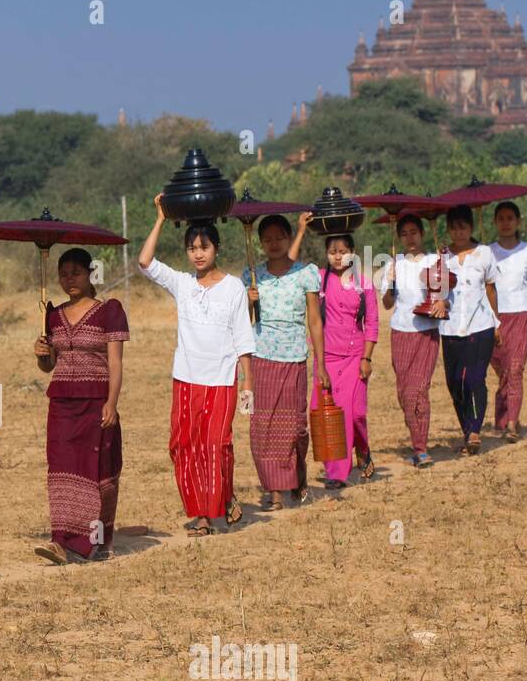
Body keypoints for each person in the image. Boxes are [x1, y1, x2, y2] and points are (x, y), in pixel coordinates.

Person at [139, 196, 254, 537]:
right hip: (186, 378)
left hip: (222, 379)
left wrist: (248, 384)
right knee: (182, 446)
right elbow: (145, 262)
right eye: (192, 248)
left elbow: (243, 338)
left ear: (216, 248)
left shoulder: (234, 288)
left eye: (204, 246)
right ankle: (201, 515)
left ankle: (224, 497)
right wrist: (160, 218)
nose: (198, 253)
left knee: (217, 445)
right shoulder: (182, 284)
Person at [33, 248, 129, 564]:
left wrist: (111, 403)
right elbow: (49, 367)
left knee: (98, 472)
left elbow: (116, 363)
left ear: (90, 274)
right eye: (63, 274)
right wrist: (41, 354)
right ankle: (61, 540)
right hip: (61, 403)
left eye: (76, 272)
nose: (69, 279)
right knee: (62, 469)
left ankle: (100, 540)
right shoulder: (52, 315)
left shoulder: (109, 311)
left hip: (96, 401)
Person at [243, 211, 326, 509]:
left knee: (294, 427)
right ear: (261, 243)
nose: (274, 243)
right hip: (261, 356)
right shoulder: (252, 275)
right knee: (262, 425)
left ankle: (296, 476)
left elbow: (315, 322)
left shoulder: (306, 273)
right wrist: (248, 302)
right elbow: (245, 322)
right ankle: (274, 490)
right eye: (267, 239)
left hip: (294, 358)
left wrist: (322, 365)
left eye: (280, 237)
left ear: (289, 238)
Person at [309, 233, 379, 488]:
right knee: (329, 414)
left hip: (355, 356)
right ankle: (336, 473)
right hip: (325, 357)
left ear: (353, 252)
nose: (337, 257)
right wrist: (303, 231)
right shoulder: (317, 279)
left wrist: (366, 358)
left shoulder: (364, 283)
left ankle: (362, 447)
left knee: (356, 413)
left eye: (343, 251)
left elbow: (371, 323)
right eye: (332, 252)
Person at [381, 214, 443, 467]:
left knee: (418, 390)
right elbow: (386, 304)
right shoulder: (392, 264)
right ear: (399, 237)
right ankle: (416, 433)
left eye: (414, 232)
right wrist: (391, 284)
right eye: (404, 233)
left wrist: (441, 299)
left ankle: (421, 448)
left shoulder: (435, 261)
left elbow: (446, 298)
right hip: (400, 331)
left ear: (422, 233)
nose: (410, 238)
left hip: (426, 331)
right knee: (404, 392)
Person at [439, 204, 501, 455]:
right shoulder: (442, 256)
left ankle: (475, 430)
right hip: (450, 327)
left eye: (462, 227)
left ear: (471, 227)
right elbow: (437, 290)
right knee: (454, 382)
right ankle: (468, 433)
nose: (458, 232)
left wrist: (498, 322)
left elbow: (491, 289)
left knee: (474, 378)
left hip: (481, 324)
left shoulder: (484, 253)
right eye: (453, 227)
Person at [488, 201, 527, 442]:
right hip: (495, 318)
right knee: (503, 372)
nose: (506, 223)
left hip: (521, 316)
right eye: (501, 218)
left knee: (515, 370)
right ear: (494, 222)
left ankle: (511, 425)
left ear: (518, 221)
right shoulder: (487, 252)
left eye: (510, 218)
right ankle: (507, 416)